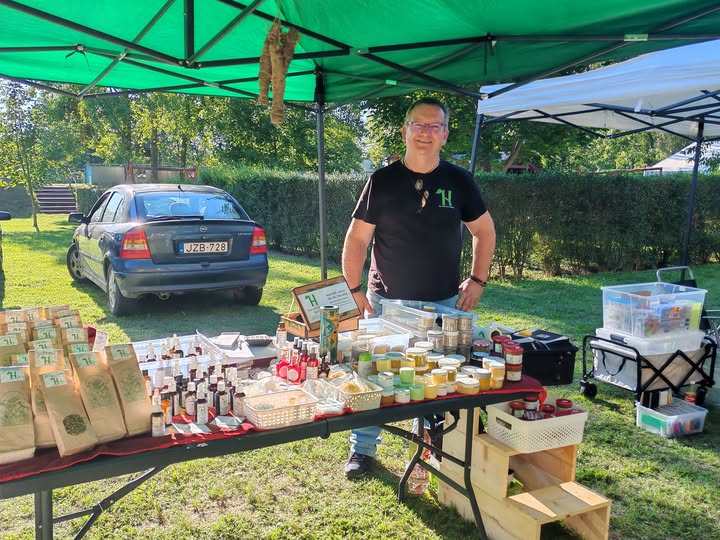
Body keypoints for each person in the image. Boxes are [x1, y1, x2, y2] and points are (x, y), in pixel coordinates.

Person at [341, 97, 496, 478]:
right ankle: (363, 450)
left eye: (434, 126)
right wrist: (354, 289)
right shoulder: (381, 181)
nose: (425, 132)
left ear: (444, 135)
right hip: (385, 302)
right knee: (372, 377)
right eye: (418, 125)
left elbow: (484, 231)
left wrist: (478, 279)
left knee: (436, 380)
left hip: (443, 303)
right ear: (405, 131)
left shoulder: (459, 181)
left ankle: (428, 443)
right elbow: (357, 239)